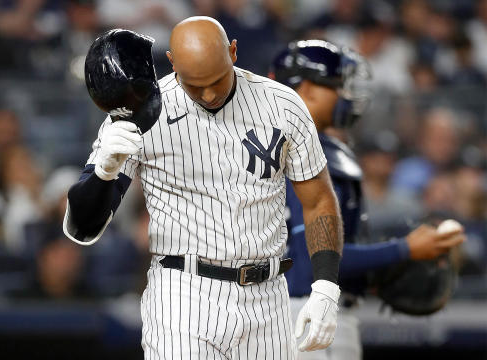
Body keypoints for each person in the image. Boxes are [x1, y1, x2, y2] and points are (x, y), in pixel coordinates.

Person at [66, 17, 345, 358]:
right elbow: (82, 228)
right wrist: (104, 172)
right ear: (172, 62)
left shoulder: (282, 104)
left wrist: (327, 286)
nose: (210, 94)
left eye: (217, 80)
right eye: (195, 85)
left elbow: (318, 200)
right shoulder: (141, 111)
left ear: (233, 51)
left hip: (268, 297)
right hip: (184, 293)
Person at [270, 40, 466, 360]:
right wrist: (405, 250)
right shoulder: (301, 152)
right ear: (306, 88)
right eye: (338, 85)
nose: (348, 96)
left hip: (300, 312)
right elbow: (314, 260)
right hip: (307, 315)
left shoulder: (282, 146)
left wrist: (373, 271)